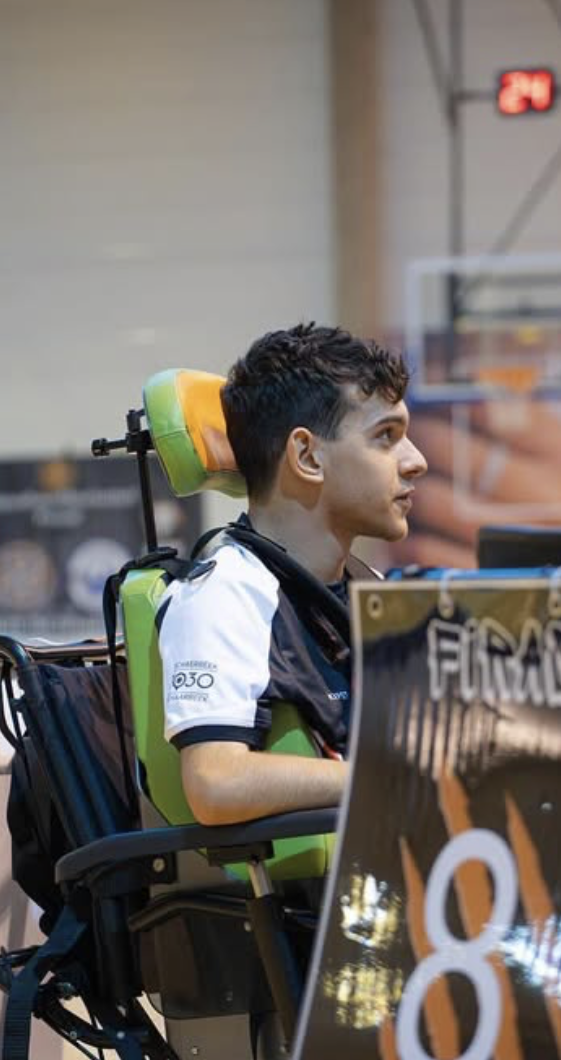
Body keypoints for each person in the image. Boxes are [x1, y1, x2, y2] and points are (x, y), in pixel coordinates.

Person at [156, 324, 427, 826]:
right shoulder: (225, 596)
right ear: (306, 456)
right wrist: (392, 775)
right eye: (386, 437)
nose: (417, 461)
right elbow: (215, 782)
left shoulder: (366, 587)